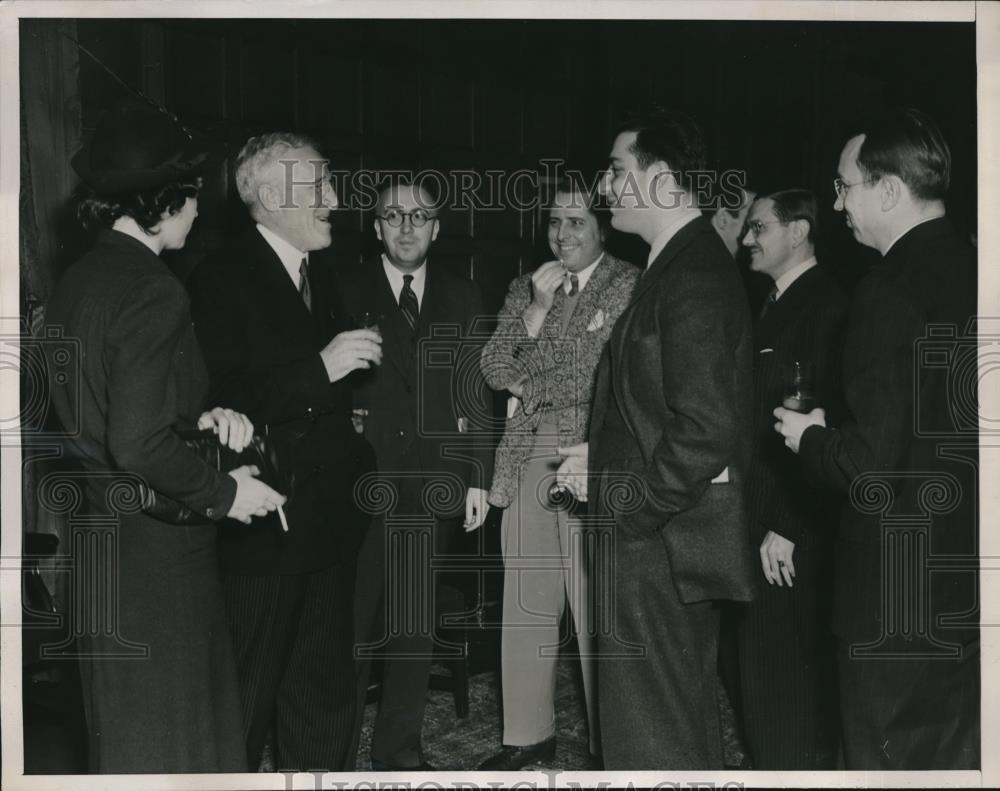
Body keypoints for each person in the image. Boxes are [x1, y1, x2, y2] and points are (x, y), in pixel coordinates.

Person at [44, 102, 284, 773]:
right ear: (165, 201)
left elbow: (104, 414)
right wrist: (226, 492)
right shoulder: (155, 291)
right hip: (160, 565)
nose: (200, 210)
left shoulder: (78, 283)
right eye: (191, 197)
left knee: (124, 746)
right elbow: (140, 444)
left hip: (98, 553)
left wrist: (197, 421)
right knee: (182, 747)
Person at [774, 108, 979, 770]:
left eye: (844, 187)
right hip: (961, 577)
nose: (837, 205)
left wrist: (808, 438)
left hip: (891, 593)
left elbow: (870, 468)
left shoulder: (885, 290)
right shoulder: (977, 267)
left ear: (888, 190)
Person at [557, 107, 755, 769]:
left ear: (662, 178)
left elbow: (705, 430)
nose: (602, 187)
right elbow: (662, 408)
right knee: (656, 724)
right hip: (656, 543)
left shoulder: (691, 272)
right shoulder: (676, 262)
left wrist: (630, 507)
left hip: (656, 546)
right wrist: (601, 453)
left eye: (616, 171)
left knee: (655, 736)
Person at [187, 132, 379, 771]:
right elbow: (210, 398)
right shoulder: (216, 277)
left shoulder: (318, 269)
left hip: (328, 522)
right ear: (268, 197)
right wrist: (318, 371)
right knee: (245, 699)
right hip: (265, 527)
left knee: (323, 699)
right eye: (317, 185)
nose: (332, 198)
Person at [476, 184, 638, 770]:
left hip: (590, 455)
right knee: (526, 597)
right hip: (526, 456)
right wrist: (538, 312)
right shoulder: (529, 285)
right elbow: (493, 369)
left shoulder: (627, 284)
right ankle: (527, 735)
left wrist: (528, 376)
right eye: (553, 223)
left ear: (603, 228)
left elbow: (589, 376)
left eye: (576, 222)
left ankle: (608, 744)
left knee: (594, 602)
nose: (562, 235)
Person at [336, 178, 494, 771]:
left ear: (436, 227)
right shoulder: (342, 287)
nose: (407, 227)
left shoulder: (463, 294)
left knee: (412, 627)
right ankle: (337, 749)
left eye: (419, 217)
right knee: (351, 624)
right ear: (376, 227)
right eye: (394, 216)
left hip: (435, 484)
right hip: (361, 483)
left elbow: (476, 392)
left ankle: (399, 754)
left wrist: (479, 474)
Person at [737, 189, 847, 769]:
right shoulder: (776, 301)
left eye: (758, 228)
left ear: (799, 231)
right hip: (759, 514)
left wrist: (786, 524)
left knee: (781, 682)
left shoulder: (826, 305)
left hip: (787, 529)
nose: (746, 238)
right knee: (762, 675)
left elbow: (826, 430)